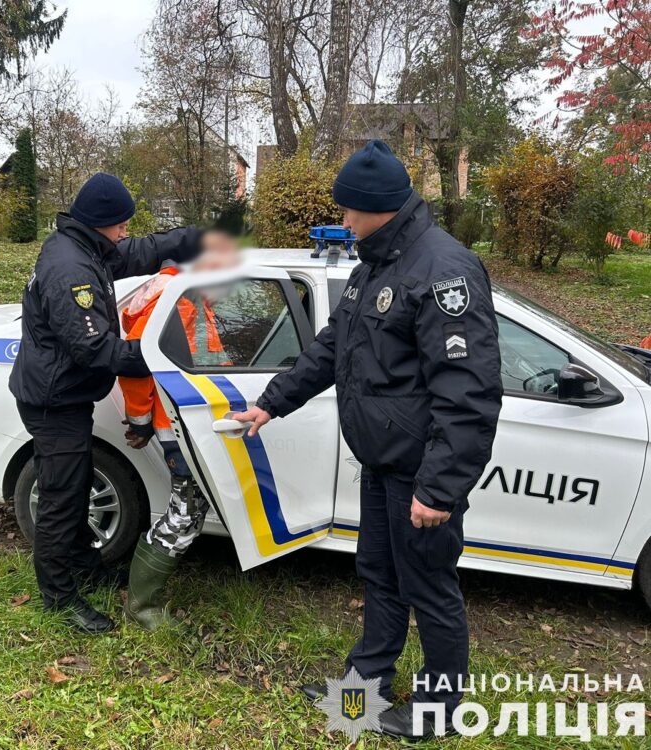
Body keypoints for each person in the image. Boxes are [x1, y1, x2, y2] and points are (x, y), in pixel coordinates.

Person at [233, 140, 503, 739]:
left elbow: (469, 395)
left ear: (379, 207)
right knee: (379, 574)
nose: (343, 220)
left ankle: (438, 710)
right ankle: (364, 687)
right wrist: (272, 403)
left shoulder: (444, 271)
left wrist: (438, 490)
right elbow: (333, 347)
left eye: (350, 211)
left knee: (429, 588)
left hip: (420, 472)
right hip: (382, 463)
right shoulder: (373, 266)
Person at [9, 171, 215, 634]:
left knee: (77, 487)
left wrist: (193, 239)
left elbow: (136, 251)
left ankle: (86, 567)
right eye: (120, 223)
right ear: (100, 222)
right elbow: (95, 350)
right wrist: (162, 357)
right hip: (54, 401)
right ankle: (60, 598)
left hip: (65, 393)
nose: (125, 231)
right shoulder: (71, 269)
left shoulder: (86, 247)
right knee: (62, 501)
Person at [117, 244, 239, 629]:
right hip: (181, 422)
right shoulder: (174, 296)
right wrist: (139, 422)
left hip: (194, 416)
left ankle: (140, 600)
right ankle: (140, 606)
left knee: (191, 508)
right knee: (185, 511)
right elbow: (136, 366)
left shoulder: (183, 291)